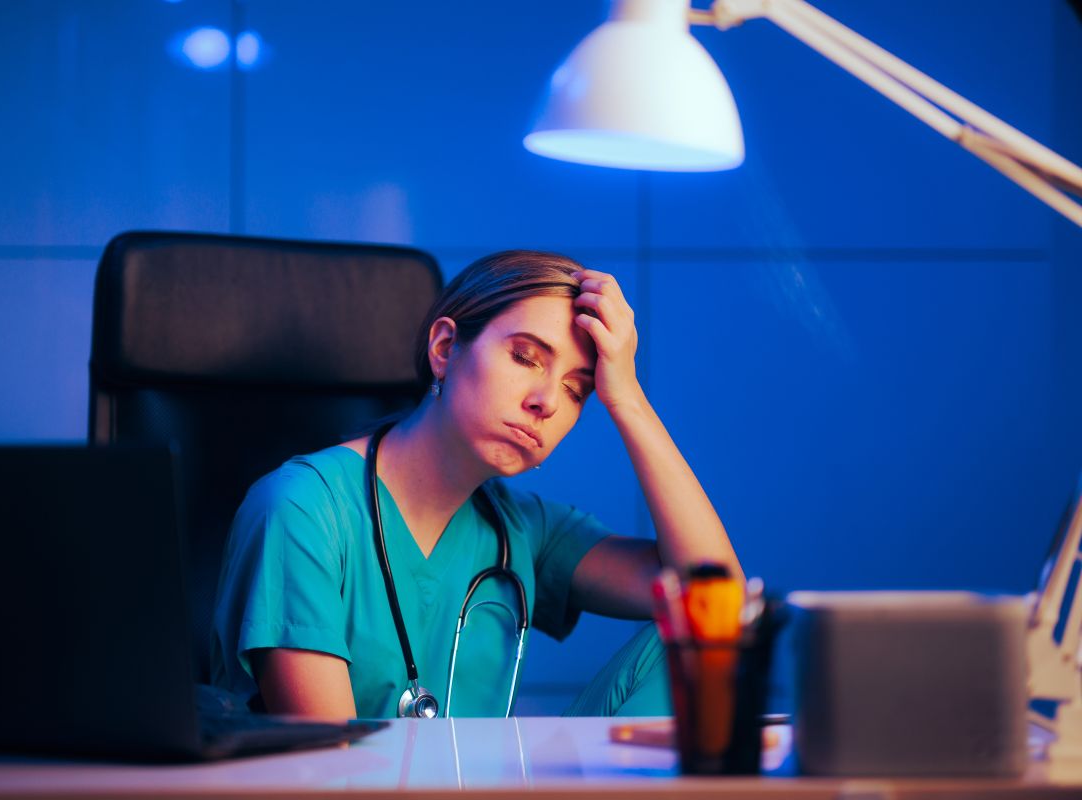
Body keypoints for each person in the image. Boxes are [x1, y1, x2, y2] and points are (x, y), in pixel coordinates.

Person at [210, 250, 742, 719]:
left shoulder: (525, 530)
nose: (546, 402)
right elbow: (328, 773)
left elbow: (716, 598)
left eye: (577, 391)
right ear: (444, 348)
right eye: (525, 357)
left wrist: (627, 398)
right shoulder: (303, 509)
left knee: (706, 636)